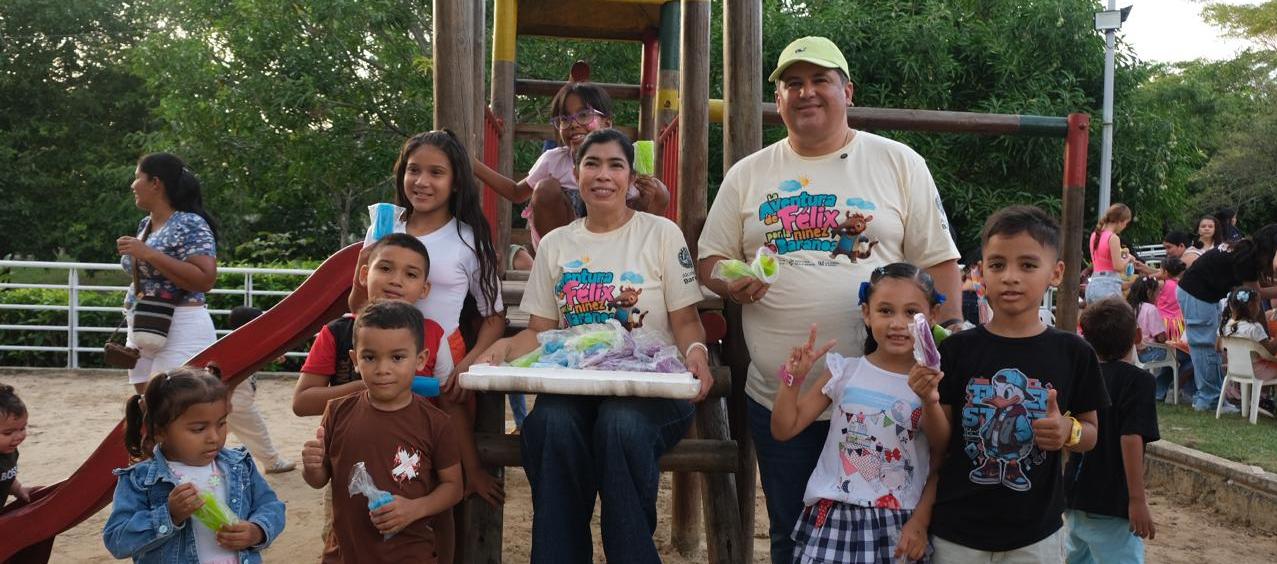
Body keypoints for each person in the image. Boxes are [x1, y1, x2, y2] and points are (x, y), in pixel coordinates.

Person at [696, 35, 963, 562]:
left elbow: (940, 264)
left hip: (887, 401)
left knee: (894, 531)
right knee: (791, 534)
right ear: (779, 100)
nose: (806, 93)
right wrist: (733, 281)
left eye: (820, 80)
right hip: (784, 397)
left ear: (847, 90)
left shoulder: (897, 162)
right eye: (792, 83)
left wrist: (946, 347)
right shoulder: (748, 174)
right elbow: (710, 261)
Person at [476, 128, 714, 564]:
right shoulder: (556, 244)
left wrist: (696, 353)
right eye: (592, 164)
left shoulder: (661, 234)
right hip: (576, 388)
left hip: (650, 389)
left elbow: (685, 320)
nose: (603, 175)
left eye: (615, 165)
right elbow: (540, 331)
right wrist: (503, 350)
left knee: (619, 425)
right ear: (578, 173)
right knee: (551, 427)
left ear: (630, 177)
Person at [929, 205, 1109, 559]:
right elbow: (941, 441)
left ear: (1055, 273)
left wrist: (1066, 430)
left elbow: (1091, 433)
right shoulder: (956, 350)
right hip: (956, 531)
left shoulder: (1074, 352)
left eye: (1027, 265)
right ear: (981, 273)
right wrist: (927, 398)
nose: (1010, 276)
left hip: (1036, 534)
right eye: (997, 265)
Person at [348, 131, 507, 507]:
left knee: (440, 464)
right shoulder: (384, 230)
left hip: (442, 360)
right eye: (413, 170)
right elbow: (357, 306)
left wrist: (467, 366)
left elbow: (494, 318)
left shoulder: (469, 240)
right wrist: (361, 263)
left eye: (436, 172)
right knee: (385, 456)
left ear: (454, 183)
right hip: (384, 357)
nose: (422, 181)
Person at [771, 263, 947, 563]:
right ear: (866, 313)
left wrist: (929, 399)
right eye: (886, 311)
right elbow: (784, 428)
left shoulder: (934, 381)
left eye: (911, 312)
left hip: (898, 524)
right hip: (835, 518)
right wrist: (793, 381)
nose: (897, 323)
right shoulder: (843, 371)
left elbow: (942, 452)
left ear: (932, 317)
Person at [295, 234, 452, 558]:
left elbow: (450, 402)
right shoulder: (337, 333)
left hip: (415, 470)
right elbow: (302, 402)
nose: (396, 280)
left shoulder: (434, 335)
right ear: (365, 274)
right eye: (386, 268)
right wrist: (362, 388)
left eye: (410, 274)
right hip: (348, 501)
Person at [104, 367, 286, 563]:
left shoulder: (240, 465)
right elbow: (117, 540)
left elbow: (271, 506)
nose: (214, 437)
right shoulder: (139, 480)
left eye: (222, 423)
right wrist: (169, 515)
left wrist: (257, 530)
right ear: (160, 431)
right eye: (199, 429)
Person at [471, 82, 669, 247]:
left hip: (617, 242)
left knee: (659, 191)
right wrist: (472, 164)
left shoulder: (628, 157)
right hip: (569, 244)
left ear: (607, 123)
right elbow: (516, 192)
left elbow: (649, 204)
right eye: (565, 119)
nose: (573, 123)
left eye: (584, 115)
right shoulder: (554, 160)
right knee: (545, 188)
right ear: (576, 173)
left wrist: (649, 195)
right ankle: (559, 262)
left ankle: (638, 258)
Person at [118, 153, 219, 395]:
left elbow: (205, 279)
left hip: (180, 325)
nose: (133, 185)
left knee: (172, 408)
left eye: (137, 177)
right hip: (144, 324)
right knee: (147, 410)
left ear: (156, 183)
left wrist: (148, 253)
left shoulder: (190, 223)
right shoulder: (145, 224)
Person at [1068, 298, 1159, 563]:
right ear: (1138, 336)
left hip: (1076, 495)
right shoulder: (1139, 381)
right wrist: (1137, 500)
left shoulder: (1082, 375)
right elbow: (1131, 437)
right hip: (1112, 501)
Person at [1176, 224, 1277, 411]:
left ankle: (1207, 397)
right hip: (1197, 294)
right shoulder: (1248, 260)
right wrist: (1265, 336)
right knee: (1205, 346)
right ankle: (1210, 400)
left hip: (1196, 292)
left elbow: (1256, 291)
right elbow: (1256, 297)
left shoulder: (1244, 250)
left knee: (1205, 347)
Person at [222, 306, 294, 474]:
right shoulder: (237, 344)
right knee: (257, 432)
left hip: (232, 400)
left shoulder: (239, 341)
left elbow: (259, 355)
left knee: (218, 430)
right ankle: (272, 462)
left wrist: (273, 356)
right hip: (238, 402)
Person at [1220, 288, 1277, 382]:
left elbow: (1219, 347)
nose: (1259, 308)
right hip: (1258, 372)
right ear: (1251, 306)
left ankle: (1257, 394)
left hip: (1235, 370)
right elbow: (1270, 352)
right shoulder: (1255, 328)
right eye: (1258, 305)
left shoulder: (1227, 326)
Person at [1086, 203, 1134, 304]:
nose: (1124, 227)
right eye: (1126, 223)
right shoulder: (1113, 238)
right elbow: (1118, 267)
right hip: (1108, 286)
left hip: (1093, 284)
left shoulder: (1094, 235)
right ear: (1120, 222)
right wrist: (1128, 258)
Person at [0, 384, 30, 509]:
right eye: (8, 433)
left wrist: (17, 489)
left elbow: (5, 477)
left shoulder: (10, 451)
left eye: (22, 428)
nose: (18, 436)